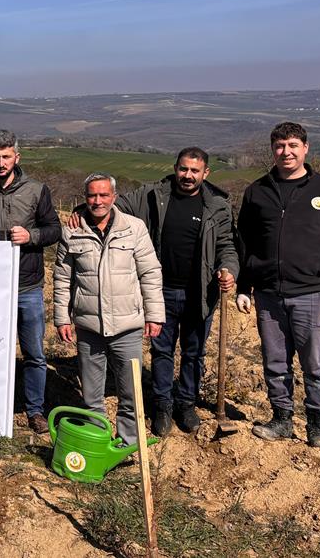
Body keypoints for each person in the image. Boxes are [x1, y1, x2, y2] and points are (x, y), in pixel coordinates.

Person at [70, 148, 239, 435]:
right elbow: (110, 201)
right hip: (160, 291)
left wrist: (229, 269)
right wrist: (80, 210)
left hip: (200, 291)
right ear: (175, 168)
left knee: (194, 353)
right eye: (183, 169)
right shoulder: (152, 195)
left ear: (205, 173)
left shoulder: (218, 206)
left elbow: (226, 245)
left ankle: (186, 403)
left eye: (194, 171)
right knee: (161, 351)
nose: (188, 175)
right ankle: (162, 405)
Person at [236, 122, 320, 448]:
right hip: (268, 294)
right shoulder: (257, 192)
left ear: (305, 148)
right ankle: (282, 420)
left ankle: (318, 426)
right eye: (279, 146)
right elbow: (245, 243)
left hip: (313, 294)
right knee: (275, 363)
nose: (285, 152)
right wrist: (244, 287)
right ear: (272, 150)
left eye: (292, 145)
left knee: (316, 366)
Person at [53, 173, 164, 445]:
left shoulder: (134, 228)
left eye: (104, 195)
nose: (98, 201)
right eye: (92, 195)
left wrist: (155, 314)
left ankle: (128, 444)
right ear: (85, 198)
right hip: (89, 327)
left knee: (130, 393)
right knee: (92, 395)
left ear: (114, 197)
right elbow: (62, 277)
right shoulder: (73, 230)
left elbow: (150, 272)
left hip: (128, 326)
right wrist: (61, 318)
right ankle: (97, 442)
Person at [0, 130, 60, 434]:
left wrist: (33, 236)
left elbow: (55, 229)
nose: (1, 162)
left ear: (17, 157)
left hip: (28, 287)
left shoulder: (36, 190)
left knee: (34, 352)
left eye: (6, 156)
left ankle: (34, 410)